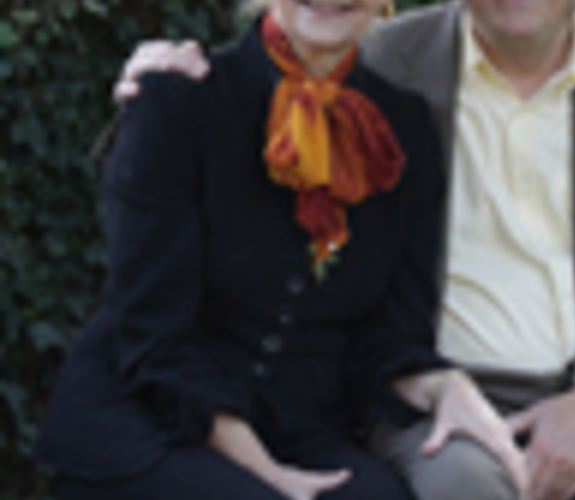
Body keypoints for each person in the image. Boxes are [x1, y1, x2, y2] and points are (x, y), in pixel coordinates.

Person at [104, 0, 575, 499]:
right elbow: (241, 109)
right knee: (464, 486)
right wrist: (154, 86)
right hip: (432, 399)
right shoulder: (374, 50)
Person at [33, 0, 529, 499]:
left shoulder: (405, 127)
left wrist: (447, 388)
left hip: (300, 431)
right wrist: (266, 473)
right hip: (150, 420)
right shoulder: (179, 96)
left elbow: (390, 341)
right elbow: (152, 333)